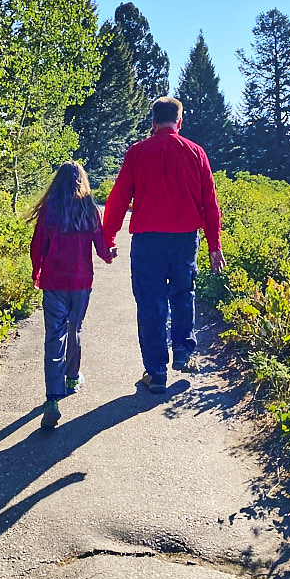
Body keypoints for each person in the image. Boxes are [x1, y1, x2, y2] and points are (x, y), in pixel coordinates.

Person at [103, 96, 225, 393]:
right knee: (183, 293)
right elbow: (210, 204)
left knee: (150, 302)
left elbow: (119, 198)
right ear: (179, 122)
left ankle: (156, 372)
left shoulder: (137, 152)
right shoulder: (196, 152)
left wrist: (108, 237)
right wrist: (214, 245)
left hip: (148, 240)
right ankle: (182, 351)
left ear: (153, 123)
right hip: (185, 239)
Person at [30, 161, 115, 428]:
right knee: (74, 328)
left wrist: (36, 272)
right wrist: (109, 254)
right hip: (80, 282)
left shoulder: (49, 209)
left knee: (54, 337)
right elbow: (101, 246)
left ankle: (52, 399)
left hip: (54, 281)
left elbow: (37, 245)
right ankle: (72, 378)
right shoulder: (89, 208)